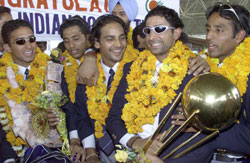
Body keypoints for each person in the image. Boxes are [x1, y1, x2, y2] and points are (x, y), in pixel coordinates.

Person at [106, 6, 216, 163]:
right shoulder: (131, 68)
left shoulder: (195, 70)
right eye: (148, 30)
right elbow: (114, 117)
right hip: (130, 155)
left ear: (176, 33)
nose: (152, 37)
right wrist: (134, 142)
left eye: (159, 29)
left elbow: (207, 131)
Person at [172, 3, 250, 163]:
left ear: (239, 36)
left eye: (218, 30)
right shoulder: (204, 68)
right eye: (208, 29)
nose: (208, 36)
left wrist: (203, 128)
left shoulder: (247, 73)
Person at [74, 14, 139, 163]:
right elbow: (82, 116)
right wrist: (90, 153)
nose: (118, 44)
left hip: (134, 152)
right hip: (98, 153)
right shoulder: (86, 73)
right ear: (96, 43)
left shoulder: (139, 69)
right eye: (110, 39)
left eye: (122, 38)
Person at [0, 19, 64, 161]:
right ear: (7, 47)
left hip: (57, 149)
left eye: (32, 39)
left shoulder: (55, 69)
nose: (29, 46)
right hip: (15, 153)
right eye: (20, 41)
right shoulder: (2, 77)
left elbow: (71, 110)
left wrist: (58, 118)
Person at [47, 15, 99, 163]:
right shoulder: (61, 68)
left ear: (88, 37)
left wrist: (91, 55)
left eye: (76, 38)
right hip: (79, 131)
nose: (72, 46)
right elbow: (69, 107)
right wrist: (74, 139)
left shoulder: (99, 58)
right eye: (66, 40)